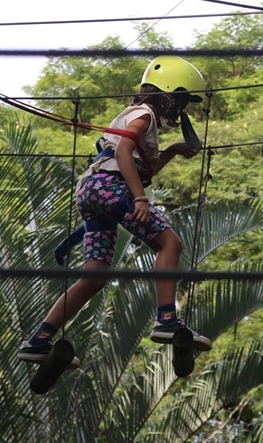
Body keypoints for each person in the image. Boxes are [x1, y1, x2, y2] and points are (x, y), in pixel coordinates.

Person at [18, 56, 213, 367]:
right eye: (182, 100)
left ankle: (38, 341)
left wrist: (174, 150)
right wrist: (140, 200)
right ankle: (166, 319)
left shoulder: (141, 119)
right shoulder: (145, 115)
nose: (183, 108)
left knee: (95, 277)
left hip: (93, 191)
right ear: (167, 94)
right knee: (170, 243)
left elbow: (140, 171)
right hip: (110, 187)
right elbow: (123, 152)